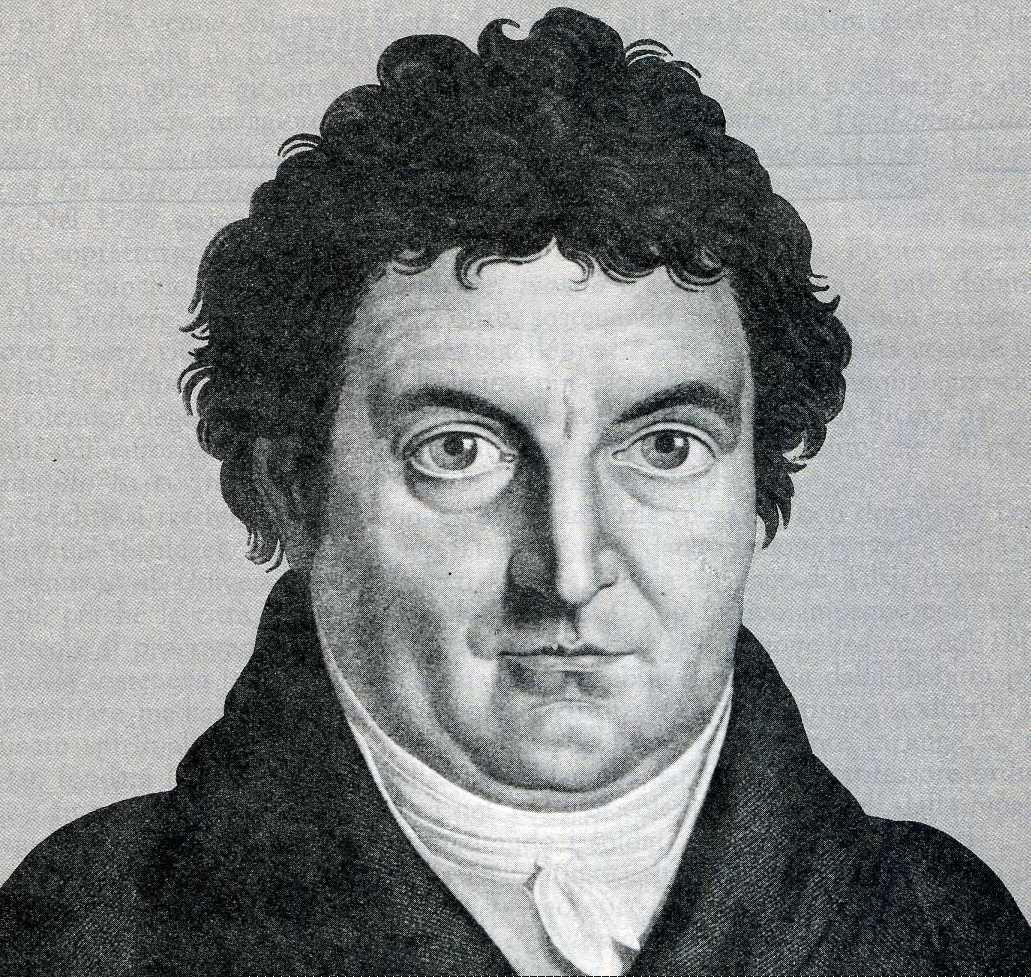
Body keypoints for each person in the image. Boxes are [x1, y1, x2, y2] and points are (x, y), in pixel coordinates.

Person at [1, 8, 1027, 975]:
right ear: (290, 491)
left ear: (756, 482)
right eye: (458, 451)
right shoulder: (93, 930)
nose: (570, 571)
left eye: (665, 446)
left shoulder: (941, 927)